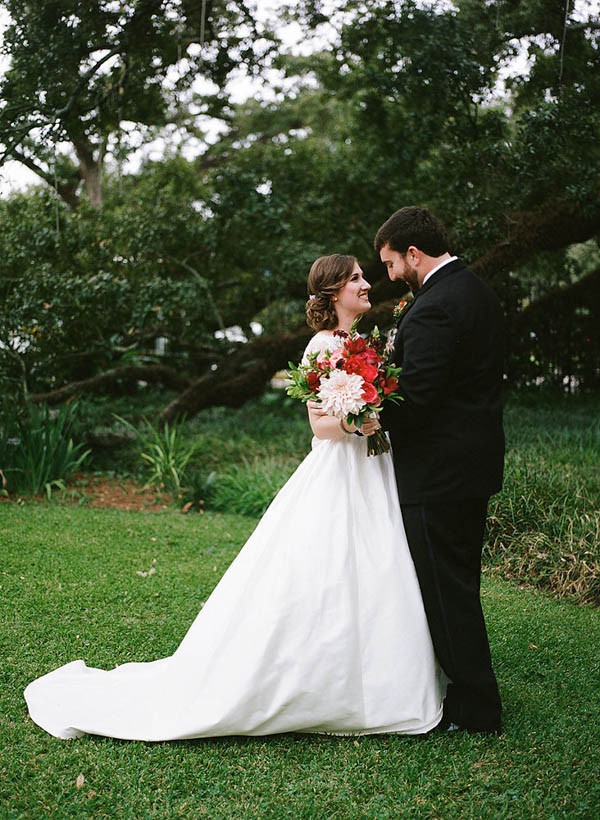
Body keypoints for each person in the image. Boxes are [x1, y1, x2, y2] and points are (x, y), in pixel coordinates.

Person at [24, 253, 445, 742]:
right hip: (339, 470)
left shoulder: (360, 343)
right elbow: (320, 425)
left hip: (372, 469)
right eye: (356, 278)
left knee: (377, 565)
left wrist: (372, 415)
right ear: (333, 293)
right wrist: (359, 420)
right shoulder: (321, 346)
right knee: (326, 570)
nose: (366, 283)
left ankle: (381, 678)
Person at [374, 206, 505, 734]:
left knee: (447, 591)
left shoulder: (433, 308)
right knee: (458, 585)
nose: (387, 275)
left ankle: (476, 706)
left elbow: (419, 398)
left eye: (388, 264)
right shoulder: (477, 291)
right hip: (471, 465)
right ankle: (466, 690)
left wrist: (367, 419)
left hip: (439, 474)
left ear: (413, 253)